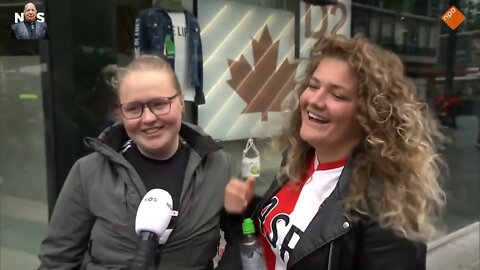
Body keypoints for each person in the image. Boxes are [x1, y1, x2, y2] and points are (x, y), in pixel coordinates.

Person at [221, 35, 446, 270]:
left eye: (337, 95)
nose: (315, 101)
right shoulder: (298, 159)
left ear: (369, 115)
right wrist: (245, 210)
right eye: (313, 85)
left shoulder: (385, 209)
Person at [39, 55, 233, 269]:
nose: (148, 118)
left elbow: (244, 241)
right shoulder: (88, 172)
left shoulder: (219, 167)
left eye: (159, 104)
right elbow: (57, 262)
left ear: (180, 102)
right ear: (120, 112)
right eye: (133, 109)